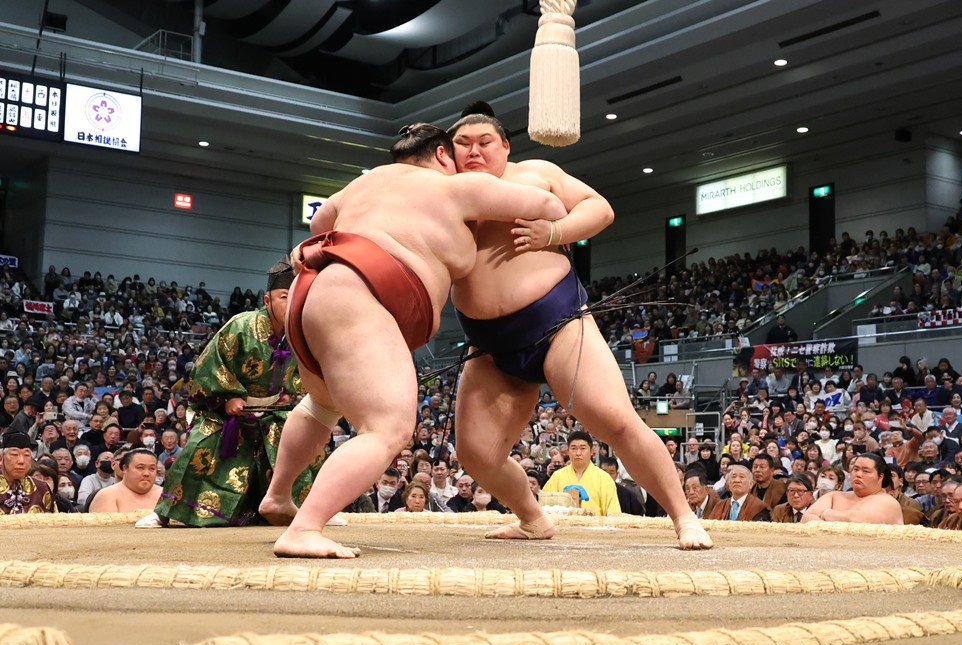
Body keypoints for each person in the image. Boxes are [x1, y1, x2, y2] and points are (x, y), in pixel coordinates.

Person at [260, 123, 568, 558]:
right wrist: (503, 183)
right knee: (387, 428)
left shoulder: (366, 182)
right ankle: (304, 528)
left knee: (323, 405)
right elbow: (549, 204)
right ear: (442, 155)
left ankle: (279, 496)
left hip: (310, 292)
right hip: (359, 293)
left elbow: (319, 221)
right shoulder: (455, 186)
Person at [447, 102, 711, 548]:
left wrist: (553, 233)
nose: (473, 151)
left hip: (558, 323)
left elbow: (599, 209)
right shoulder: (444, 194)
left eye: (484, 142)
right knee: (476, 453)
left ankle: (684, 517)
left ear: (505, 146)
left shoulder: (535, 173)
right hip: (489, 345)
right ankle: (533, 518)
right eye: (463, 143)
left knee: (617, 421)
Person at [145, 259, 323, 528]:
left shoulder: (300, 332)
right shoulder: (240, 325)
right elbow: (209, 365)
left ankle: (313, 512)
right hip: (226, 408)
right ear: (267, 300)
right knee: (199, 445)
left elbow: (305, 371)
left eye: (296, 297)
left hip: (273, 411)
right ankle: (163, 512)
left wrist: (287, 393)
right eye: (284, 296)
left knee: (307, 444)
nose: (291, 304)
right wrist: (229, 396)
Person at [801, 453, 903, 524]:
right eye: (856, 469)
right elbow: (806, 518)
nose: (858, 474)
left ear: (880, 477)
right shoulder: (834, 496)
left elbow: (857, 520)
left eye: (866, 471)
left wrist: (826, 513)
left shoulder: (888, 502)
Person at [542, 431, 620, 516]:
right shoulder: (557, 476)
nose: (578, 453)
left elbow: (613, 514)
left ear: (592, 451)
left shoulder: (604, 478)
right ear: (568, 451)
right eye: (574, 448)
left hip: (595, 523)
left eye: (583, 448)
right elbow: (544, 509)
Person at [89, 449, 162, 512]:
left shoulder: (165, 495)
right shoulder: (107, 495)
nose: (146, 473)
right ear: (125, 468)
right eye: (140, 468)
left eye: (152, 468)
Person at [0, 431, 55, 514]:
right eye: (14, 455)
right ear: (1, 459)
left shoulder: (41, 488)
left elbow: (54, 519)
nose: (21, 461)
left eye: (26, 455)